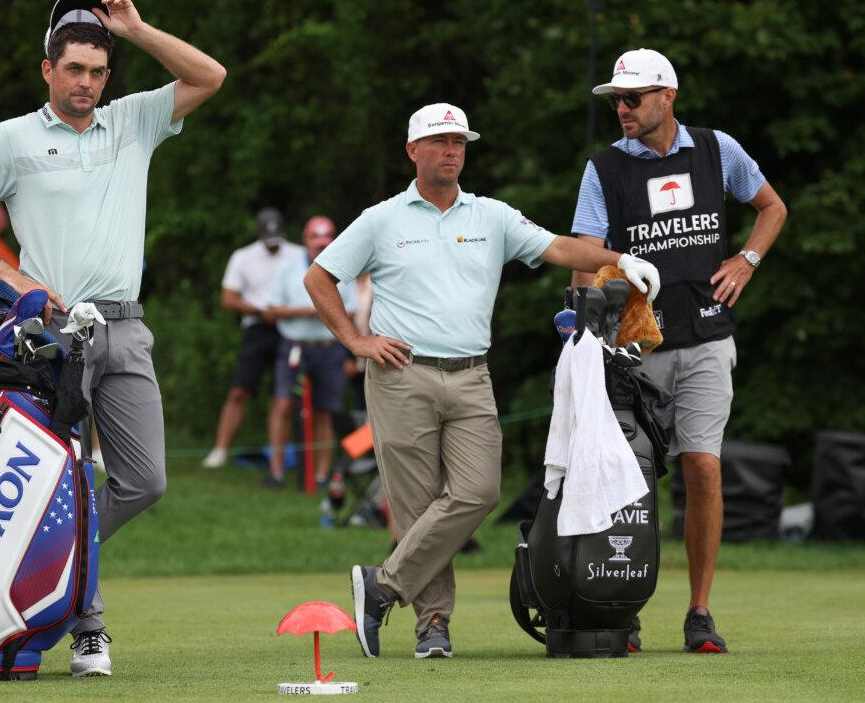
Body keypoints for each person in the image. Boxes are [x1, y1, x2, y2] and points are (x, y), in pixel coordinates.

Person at [0, 0, 225, 677]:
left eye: (97, 72)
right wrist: (14, 281)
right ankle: (86, 623)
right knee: (59, 477)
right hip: (49, 333)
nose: (86, 83)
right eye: (75, 70)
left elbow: (210, 76)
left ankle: (47, 572)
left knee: (144, 480)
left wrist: (139, 28)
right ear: (47, 70)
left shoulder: (134, 121)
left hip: (125, 327)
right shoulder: (13, 138)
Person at [305, 103, 660, 660]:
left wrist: (620, 259)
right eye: (441, 141)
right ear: (413, 151)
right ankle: (433, 625)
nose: (452, 151)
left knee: (478, 491)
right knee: (420, 506)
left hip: (472, 374)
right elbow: (319, 275)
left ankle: (382, 586)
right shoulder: (381, 219)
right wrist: (356, 341)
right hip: (401, 373)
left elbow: (560, 248)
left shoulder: (491, 216)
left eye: (460, 142)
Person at [570, 48, 787, 654]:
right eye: (616, 99)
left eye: (632, 98)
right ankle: (624, 604)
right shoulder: (605, 168)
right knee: (632, 479)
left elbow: (772, 208)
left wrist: (747, 259)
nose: (622, 108)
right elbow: (587, 252)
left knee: (703, 467)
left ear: (667, 96)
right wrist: (587, 321)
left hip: (710, 338)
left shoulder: (718, 149)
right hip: (635, 347)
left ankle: (699, 612)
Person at [201, 207, 304, 469]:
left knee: (284, 397)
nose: (273, 246)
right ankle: (220, 449)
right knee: (240, 391)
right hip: (257, 329)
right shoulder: (243, 257)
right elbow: (228, 298)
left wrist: (281, 312)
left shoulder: (298, 254)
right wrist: (261, 310)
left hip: (291, 328)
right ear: (259, 233)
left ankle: (282, 458)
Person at [262, 216, 356, 488]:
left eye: (326, 238)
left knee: (325, 410)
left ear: (334, 240)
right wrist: (305, 311)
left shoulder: (344, 268)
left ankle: (321, 474)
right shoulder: (287, 268)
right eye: (315, 238)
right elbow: (271, 309)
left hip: (329, 347)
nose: (321, 243)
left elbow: (353, 309)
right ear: (305, 240)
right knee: (283, 404)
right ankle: (276, 471)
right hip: (294, 346)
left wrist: (325, 311)